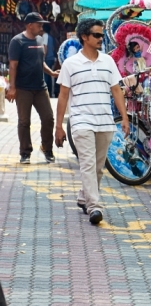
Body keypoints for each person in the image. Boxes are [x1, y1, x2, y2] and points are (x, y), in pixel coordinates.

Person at [55, 19, 128, 226]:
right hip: (81, 121)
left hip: (105, 121)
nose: (101, 39)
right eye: (96, 35)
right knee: (87, 164)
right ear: (84, 38)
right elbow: (62, 96)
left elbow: (116, 90)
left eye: (101, 35)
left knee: (97, 167)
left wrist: (124, 117)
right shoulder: (70, 64)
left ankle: (83, 196)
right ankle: (94, 206)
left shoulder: (108, 61)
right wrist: (58, 126)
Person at [6, 13, 60, 164]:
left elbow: (40, 61)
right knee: (24, 121)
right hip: (23, 88)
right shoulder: (17, 41)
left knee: (48, 118)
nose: (41, 27)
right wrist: (12, 87)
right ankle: (25, 152)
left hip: (40, 88)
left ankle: (47, 148)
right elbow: (13, 65)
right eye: (39, 24)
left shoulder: (39, 40)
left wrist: (51, 73)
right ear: (30, 25)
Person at [42, 24, 58, 97]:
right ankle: (50, 93)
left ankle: (46, 93)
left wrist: (43, 58)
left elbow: (45, 47)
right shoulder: (51, 37)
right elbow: (53, 48)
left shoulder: (45, 35)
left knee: (45, 76)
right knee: (49, 75)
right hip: (51, 58)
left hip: (47, 58)